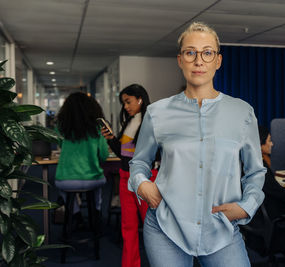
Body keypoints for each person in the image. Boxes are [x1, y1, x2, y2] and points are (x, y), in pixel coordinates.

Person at [128, 22, 266, 267]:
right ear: (180, 60)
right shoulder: (157, 112)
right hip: (165, 226)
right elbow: (139, 161)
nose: (199, 61)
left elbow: (255, 171)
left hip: (221, 228)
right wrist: (143, 185)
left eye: (207, 52)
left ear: (218, 60)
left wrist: (247, 207)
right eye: (191, 52)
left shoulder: (242, 112)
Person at [101, 84, 154, 267]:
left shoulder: (151, 122)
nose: (125, 106)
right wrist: (111, 139)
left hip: (146, 179)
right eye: (124, 102)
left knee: (152, 227)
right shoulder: (129, 122)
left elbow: (153, 153)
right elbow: (124, 153)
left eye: (128, 101)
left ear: (140, 99)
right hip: (125, 177)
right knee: (128, 227)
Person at [244, 126, 285, 254]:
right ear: (260, 144)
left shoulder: (250, 163)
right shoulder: (261, 169)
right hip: (276, 218)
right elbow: (282, 195)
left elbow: (272, 189)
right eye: (269, 140)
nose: (272, 144)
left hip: (262, 216)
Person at [55, 92, 108, 220]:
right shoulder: (97, 128)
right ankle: (96, 212)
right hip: (92, 179)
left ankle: (76, 213)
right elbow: (103, 156)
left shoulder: (61, 127)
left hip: (65, 180)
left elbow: (61, 146)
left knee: (63, 189)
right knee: (97, 186)